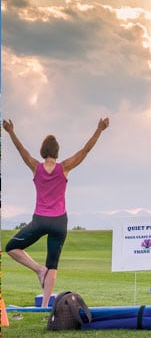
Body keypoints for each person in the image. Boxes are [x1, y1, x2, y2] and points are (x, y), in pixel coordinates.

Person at [3, 117, 110, 307]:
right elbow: (85, 150)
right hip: (60, 222)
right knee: (53, 263)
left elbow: (21, 150)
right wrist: (99, 129)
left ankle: (38, 270)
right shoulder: (64, 167)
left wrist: (11, 131)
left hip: (40, 220)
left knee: (11, 247)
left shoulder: (36, 167)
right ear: (57, 152)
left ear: (43, 151)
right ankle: (44, 305)